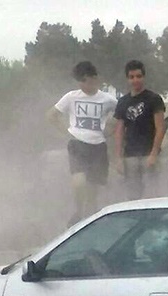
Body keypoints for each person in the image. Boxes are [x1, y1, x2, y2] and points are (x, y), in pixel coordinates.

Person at [47, 61, 118, 224]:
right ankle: (78, 211)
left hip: (98, 145)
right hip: (78, 144)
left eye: (89, 80)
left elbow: (121, 113)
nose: (87, 85)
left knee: (93, 189)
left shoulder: (107, 99)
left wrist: (111, 128)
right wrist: (66, 132)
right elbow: (51, 115)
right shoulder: (71, 97)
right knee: (79, 182)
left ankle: (91, 218)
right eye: (82, 81)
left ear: (96, 78)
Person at [113, 60, 166, 201]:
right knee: (133, 197)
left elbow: (160, 127)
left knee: (153, 196)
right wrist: (118, 158)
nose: (135, 80)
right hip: (130, 155)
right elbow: (119, 130)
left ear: (144, 77)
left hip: (148, 154)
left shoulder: (154, 99)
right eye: (132, 77)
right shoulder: (123, 102)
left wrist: (154, 153)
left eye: (138, 76)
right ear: (127, 79)